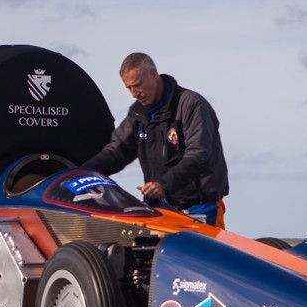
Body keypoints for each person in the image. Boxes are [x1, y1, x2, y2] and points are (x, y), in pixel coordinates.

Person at [83, 52, 229, 227]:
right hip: (159, 208)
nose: (134, 94)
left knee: (203, 255)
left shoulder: (191, 104)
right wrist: (80, 172)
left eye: (137, 85)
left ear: (153, 74)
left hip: (199, 207)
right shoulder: (138, 114)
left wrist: (164, 184)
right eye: (129, 88)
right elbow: (116, 152)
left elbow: (199, 154)